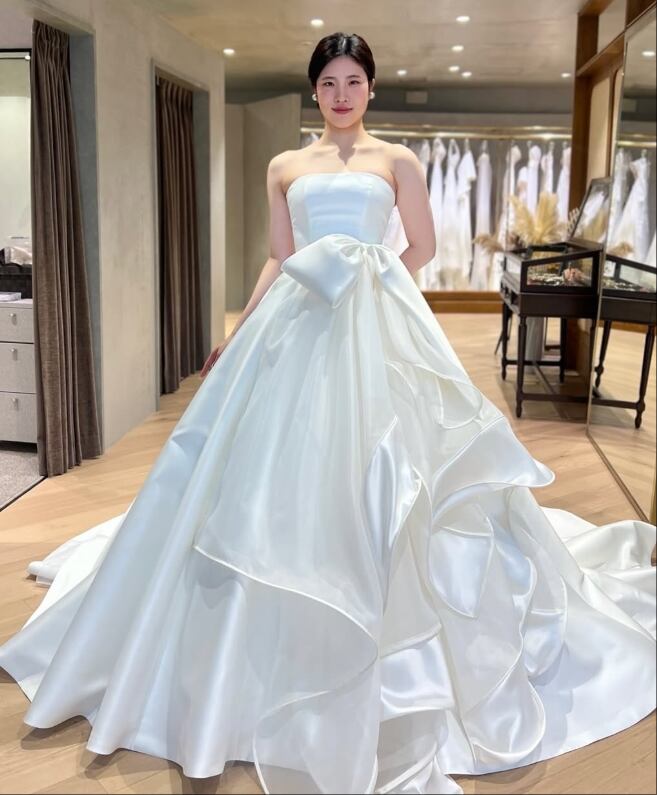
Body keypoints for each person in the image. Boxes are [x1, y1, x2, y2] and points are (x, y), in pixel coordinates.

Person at [0, 32, 655, 795]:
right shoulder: (285, 165)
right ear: (315, 90)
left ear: (369, 88)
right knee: (265, 466)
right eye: (329, 83)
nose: (341, 95)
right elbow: (279, 255)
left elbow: (420, 245)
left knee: (390, 464)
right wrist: (239, 329)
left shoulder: (396, 160)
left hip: (375, 319)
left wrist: (370, 278)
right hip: (296, 320)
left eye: (353, 81)